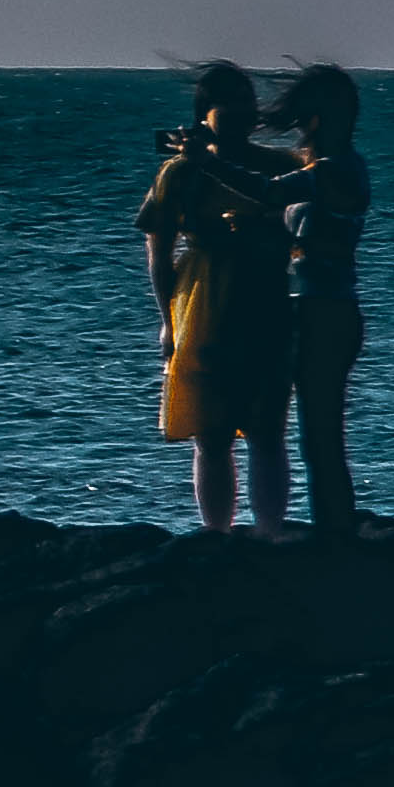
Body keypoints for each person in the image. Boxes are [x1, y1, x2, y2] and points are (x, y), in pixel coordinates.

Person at [141, 64, 298, 533]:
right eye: (223, 114)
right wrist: (167, 319)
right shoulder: (179, 173)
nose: (236, 123)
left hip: (263, 297)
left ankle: (269, 532)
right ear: (202, 117)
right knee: (211, 432)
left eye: (242, 113)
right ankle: (218, 533)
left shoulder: (278, 166)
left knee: (266, 426)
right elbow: (159, 252)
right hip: (202, 302)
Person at [273, 62, 378, 533]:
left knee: (320, 433)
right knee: (317, 432)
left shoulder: (333, 172)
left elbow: (265, 189)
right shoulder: (340, 167)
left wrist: (209, 163)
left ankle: (334, 533)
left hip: (325, 314)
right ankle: (332, 526)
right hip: (319, 310)